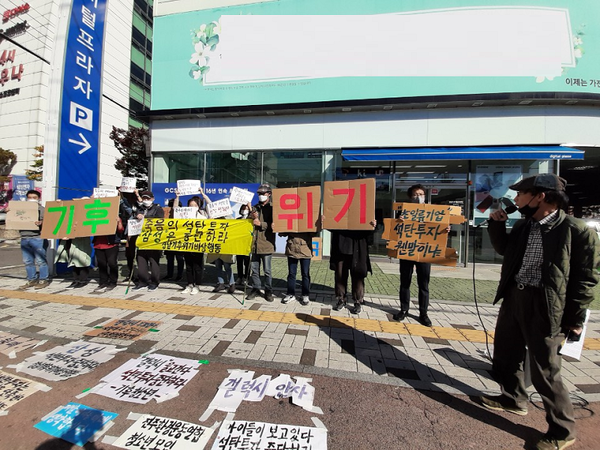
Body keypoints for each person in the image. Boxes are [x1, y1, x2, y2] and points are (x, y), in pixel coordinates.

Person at [480, 174, 599, 450]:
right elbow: (504, 250)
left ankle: (562, 430)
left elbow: (586, 279)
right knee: (507, 353)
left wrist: (575, 318)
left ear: (540, 196)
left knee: (545, 369)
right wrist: (496, 226)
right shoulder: (524, 225)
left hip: (547, 305)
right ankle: (512, 398)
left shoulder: (576, 230)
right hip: (515, 296)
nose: (517, 199)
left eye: (522, 194)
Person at [392, 184, 439, 327]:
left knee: (423, 284)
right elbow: (395, 230)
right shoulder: (404, 211)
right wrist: (399, 223)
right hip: (407, 250)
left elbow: (439, 228)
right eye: (415, 195)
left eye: (421, 194)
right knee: (405, 282)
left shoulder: (433, 211)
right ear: (410, 197)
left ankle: (423, 313)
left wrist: (445, 228)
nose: (418, 197)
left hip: (424, 251)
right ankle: (404, 310)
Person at [329, 221, 377, 314]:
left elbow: (369, 231)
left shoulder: (363, 208)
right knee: (340, 275)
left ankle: (358, 301)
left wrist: (372, 226)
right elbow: (331, 224)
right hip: (341, 245)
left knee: (358, 275)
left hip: (358, 245)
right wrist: (326, 221)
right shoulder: (339, 207)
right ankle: (341, 299)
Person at [178, 189, 211, 294]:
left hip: (198, 244)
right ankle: (189, 284)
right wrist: (177, 197)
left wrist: (203, 195)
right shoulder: (184, 215)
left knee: (197, 266)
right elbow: (175, 209)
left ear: (198, 206)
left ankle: (197, 285)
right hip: (187, 243)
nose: (192, 208)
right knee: (188, 266)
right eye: (190, 206)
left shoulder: (203, 216)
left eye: (195, 205)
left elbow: (211, 206)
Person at [247, 184, 276, 302]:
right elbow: (249, 222)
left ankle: (268, 290)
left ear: (269, 194)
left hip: (267, 243)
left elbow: (275, 225)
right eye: (259, 194)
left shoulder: (273, 208)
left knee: (267, 270)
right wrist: (250, 212)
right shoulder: (255, 207)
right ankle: (256, 288)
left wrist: (262, 224)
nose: (261, 196)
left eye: (263, 194)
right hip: (254, 243)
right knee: (254, 268)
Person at [18, 190, 49, 290]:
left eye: (34, 198)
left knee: (41, 260)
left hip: (37, 237)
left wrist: (41, 223)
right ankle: (31, 279)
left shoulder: (42, 209)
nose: (32, 199)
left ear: (38, 198)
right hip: (24, 237)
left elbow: (48, 222)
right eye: (30, 197)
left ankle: (43, 279)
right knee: (27, 261)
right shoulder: (22, 209)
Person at [133, 191, 164, 291]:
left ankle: (155, 282)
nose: (146, 200)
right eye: (144, 198)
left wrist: (145, 218)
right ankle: (143, 281)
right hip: (141, 239)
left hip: (153, 240)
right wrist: (136, 216)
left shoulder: (158, 209)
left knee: (153, 262)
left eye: (148, 199)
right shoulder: (140, 208)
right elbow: (133, 217)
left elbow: (160, 221)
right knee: (141, 261)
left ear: (152, 199)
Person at [279, 232, 314, 306]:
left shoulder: (307, 220)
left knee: (305, 274)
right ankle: (290, 294)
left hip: (305, 249)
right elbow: (281, 232)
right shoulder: (289, 220)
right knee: (291, 273)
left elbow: (314, 233)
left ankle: (305, 295)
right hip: (292, 249)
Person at [164, 197, 185, 281]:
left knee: (179, 258)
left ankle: (179, 275)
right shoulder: (166, 215)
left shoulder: (183, 215)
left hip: (179, 239)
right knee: (169, 258)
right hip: (169, 239)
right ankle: (169, 274)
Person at [235, 204, 252, 286]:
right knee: (239, 262)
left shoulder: (250, 220)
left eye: (246, 209)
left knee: (247, 262)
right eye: (243, 209)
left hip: (247, 244)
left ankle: (247, 278)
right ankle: (239, 277)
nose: (244, 210)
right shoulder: (237, 219)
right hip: (239, 244)